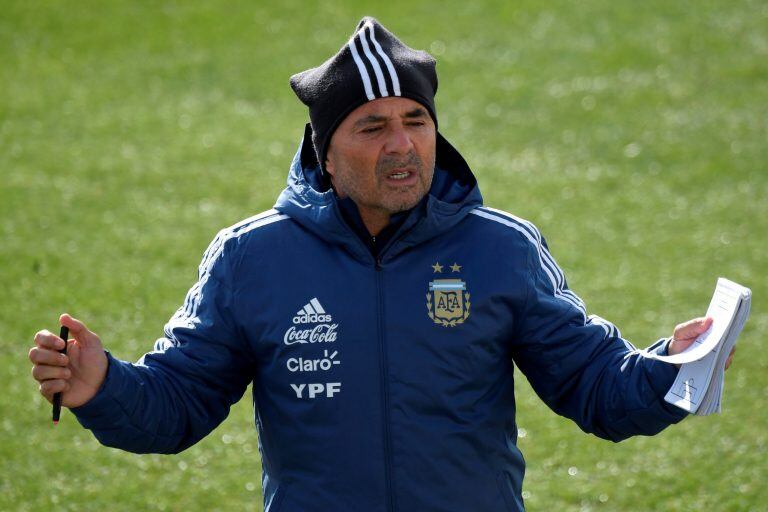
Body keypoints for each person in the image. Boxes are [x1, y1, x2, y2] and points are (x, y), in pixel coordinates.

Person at [29, 17, 735, 512]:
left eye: (416, 122)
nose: (402, 145)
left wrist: (669, 369)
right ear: (326, 154)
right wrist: (104, 387)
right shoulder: (252, 259)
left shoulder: (501, 250)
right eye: (373, 127)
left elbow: (593, 385)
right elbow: (176, 407)